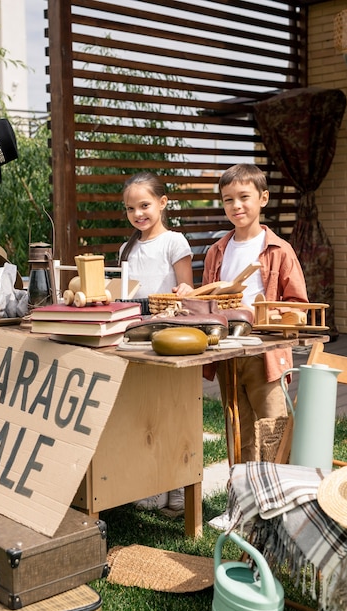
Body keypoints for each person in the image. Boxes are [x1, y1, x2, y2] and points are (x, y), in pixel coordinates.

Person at [202, 163, 308, 529]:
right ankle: (240, 506)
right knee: (239, 430)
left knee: (272, 427)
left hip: (265, 356)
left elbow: (298, 307)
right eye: (228, 199)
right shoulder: (218, 250)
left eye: (244, 197)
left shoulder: (279, 250)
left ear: (262, 198)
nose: (237, 206)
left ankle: (274, 506)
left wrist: (259, 312)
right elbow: (208, 302)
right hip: (230, 353)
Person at [119, 171, 194, 512]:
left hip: (166, 332)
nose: (138, 214)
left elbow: (187, 289)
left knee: (171, 410)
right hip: (136, 334)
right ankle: (151, 483)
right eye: (131, 208)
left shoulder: (174, 242)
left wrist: (184, 292)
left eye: (145, 205)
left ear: (163, 203)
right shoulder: (127, 247)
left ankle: (176, 485)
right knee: (145, 411)